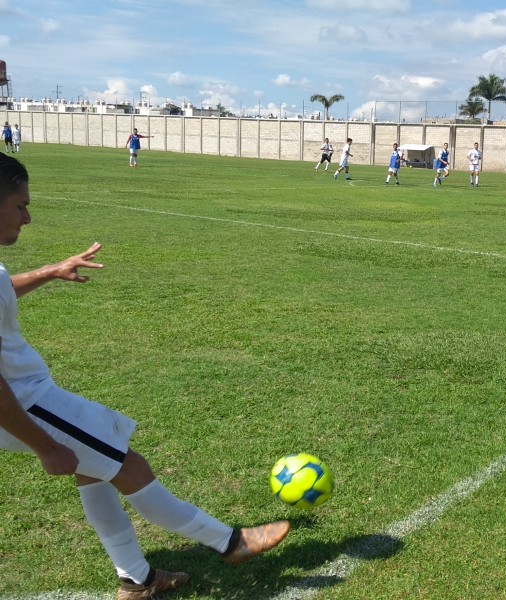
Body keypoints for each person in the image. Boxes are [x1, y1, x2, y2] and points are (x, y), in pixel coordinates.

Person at [0, 153, 291, 599]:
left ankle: (136, 580)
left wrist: (48, 271)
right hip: (23, 402)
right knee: (126, 464)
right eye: (20, 205)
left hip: (26, 396)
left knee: (95, 469)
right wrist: (44, 445)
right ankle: (230, 542)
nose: (28, 216)